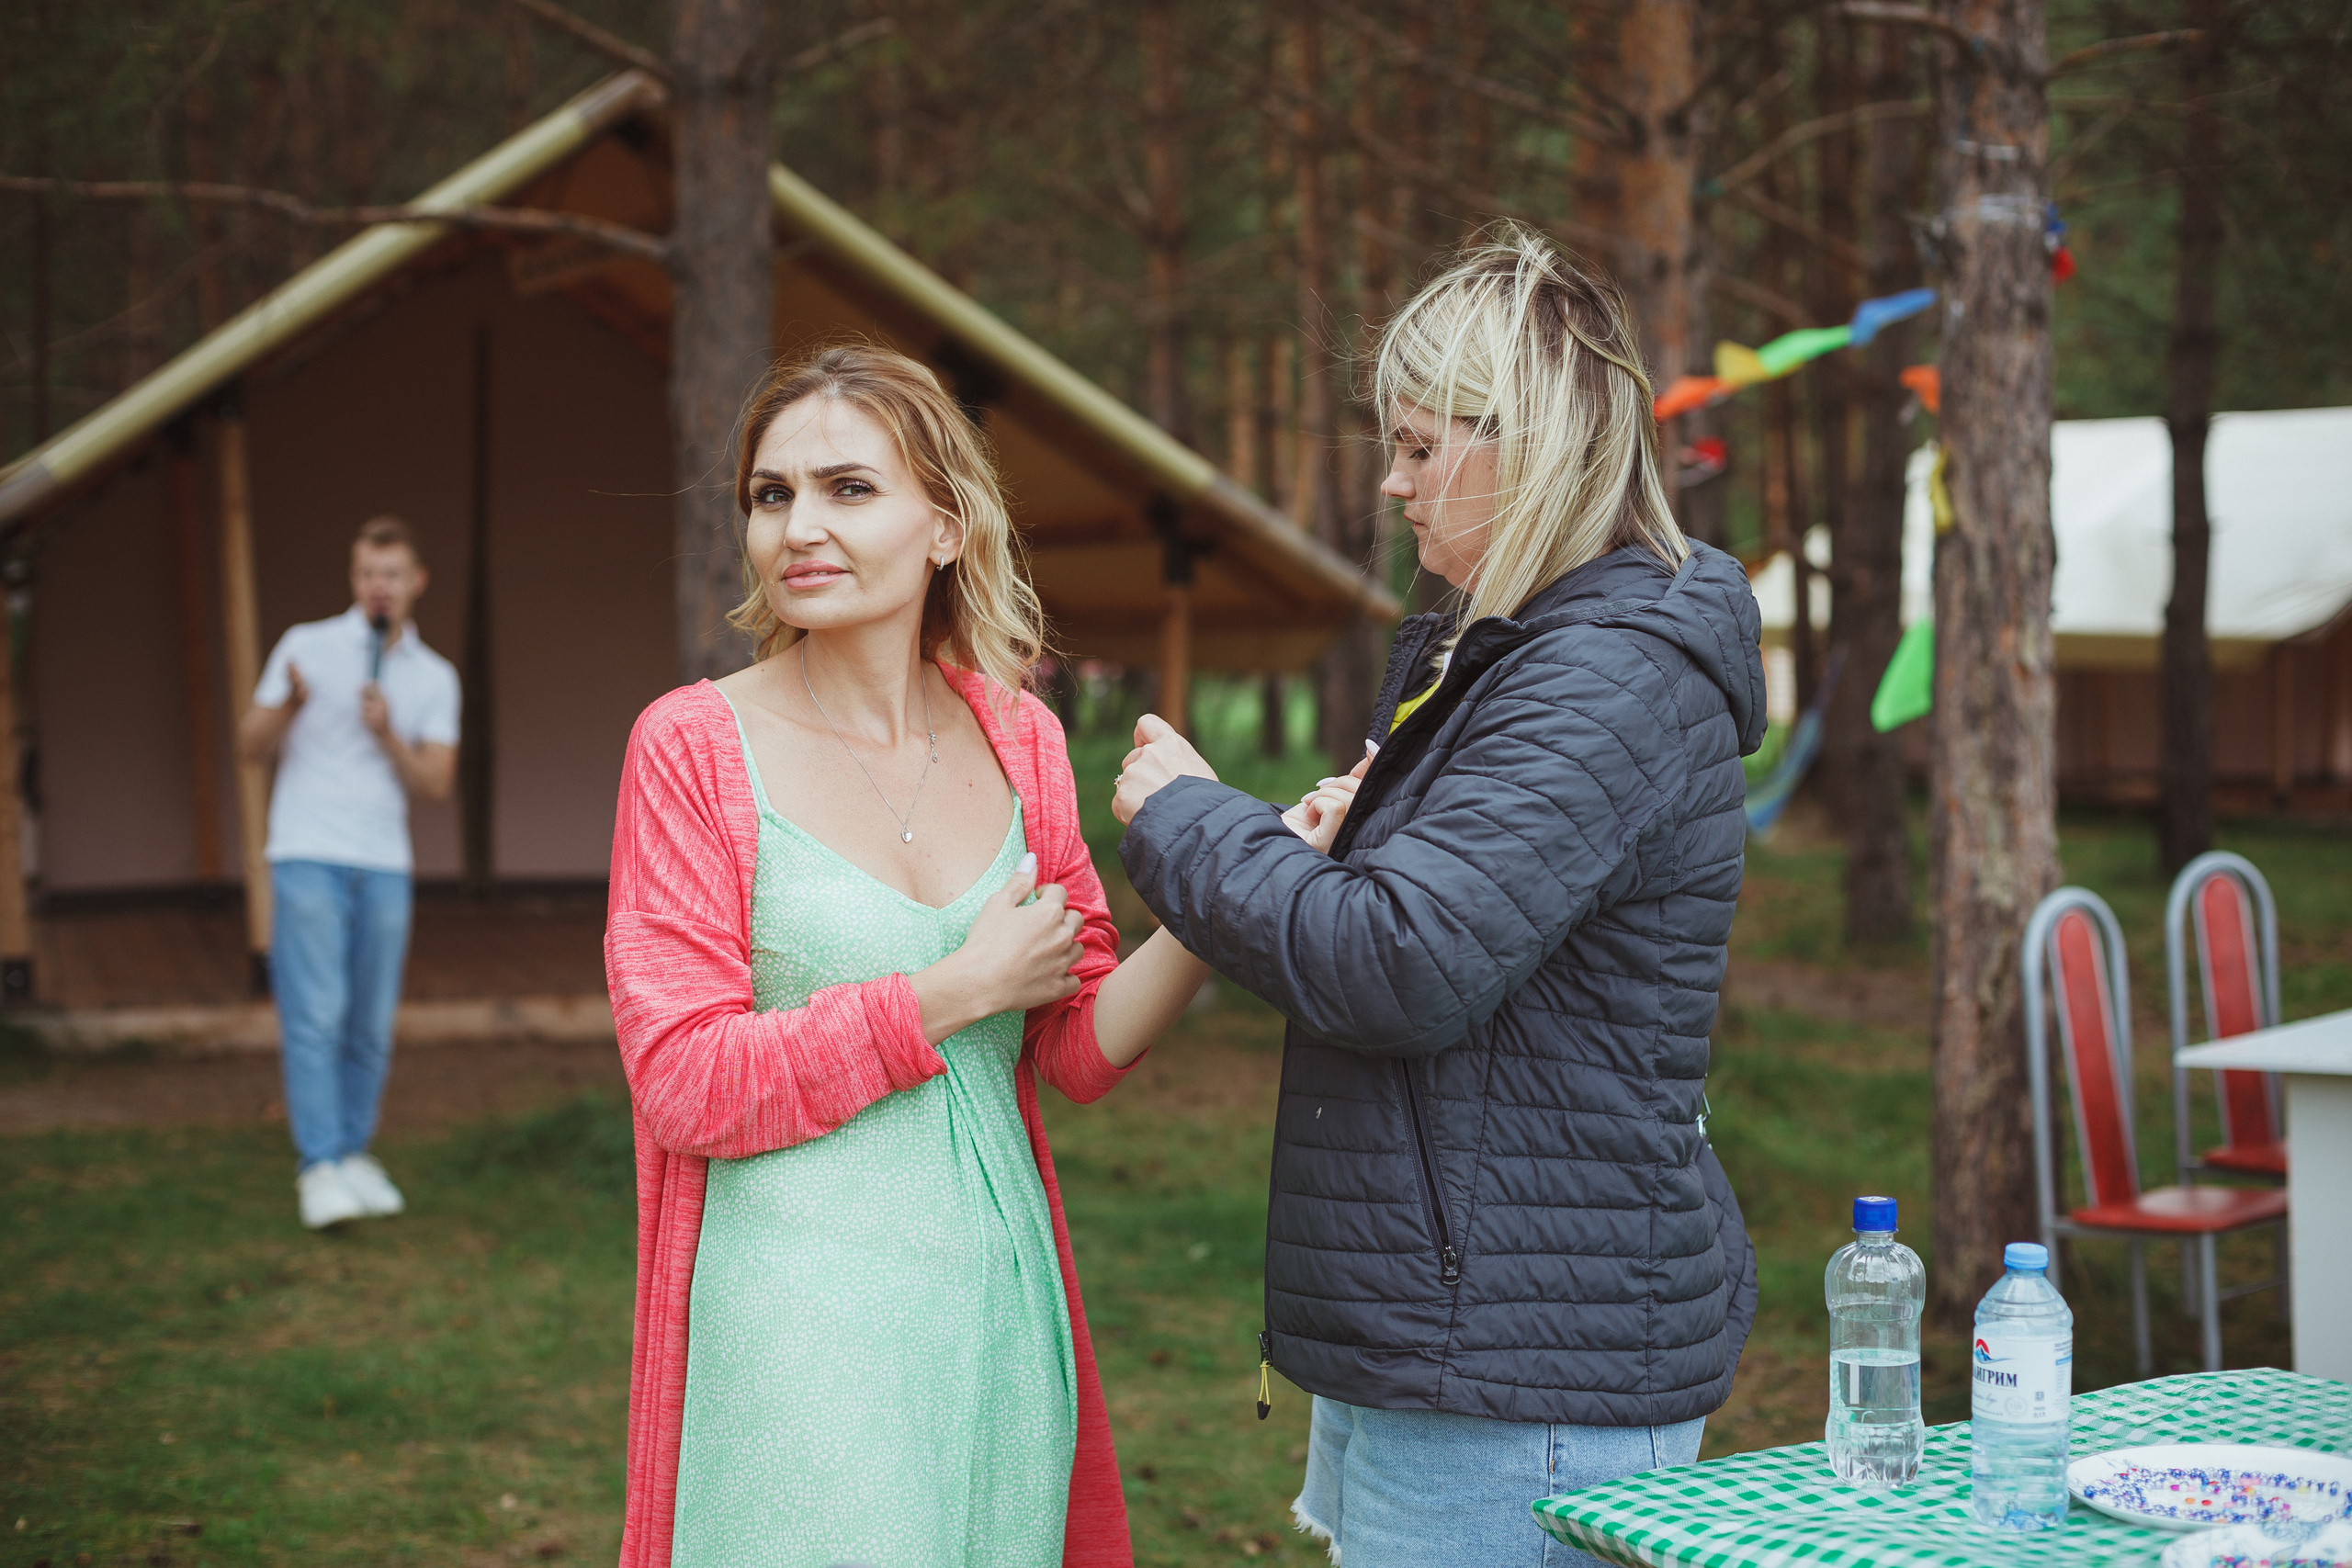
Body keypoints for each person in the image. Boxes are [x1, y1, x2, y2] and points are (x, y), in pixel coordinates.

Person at [1111, 222, 1765, 1567]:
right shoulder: (1526, 659)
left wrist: (1188, 818)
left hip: (1525, 1369)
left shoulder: (1603, 675)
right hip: (1471, 1332)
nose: (1396, 488)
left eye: (1421, 448)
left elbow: (1398, 963)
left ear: (1526, 446)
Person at [603, 344, 1209, 1568]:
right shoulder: (694, 745)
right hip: (797, 1319)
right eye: (772, 495)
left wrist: (1226, 897)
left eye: (847, 488)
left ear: (944, 523)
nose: (799, 527)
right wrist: (952, 991)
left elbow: (1078, 1043)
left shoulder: (1021, 737)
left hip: (995, 1307)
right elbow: (682, 1077)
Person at [238, 516, 459, 1231]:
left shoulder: (434, 676)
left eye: (392, 574)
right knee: (317, 1012)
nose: (378, 587)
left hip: (383, 860)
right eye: (367, 573)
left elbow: (434, 783)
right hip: (306, 849)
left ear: (416, 582)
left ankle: (354, 1154)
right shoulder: (307, 646)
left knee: (368, 1020)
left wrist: (387, 732)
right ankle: (319, 1164)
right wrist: (291, 703)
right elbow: (248, 743)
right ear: (353, 577)